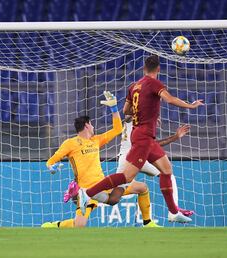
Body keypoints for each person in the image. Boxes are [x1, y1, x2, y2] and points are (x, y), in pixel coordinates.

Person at [79, 55, 204, 223]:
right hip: (143, 135)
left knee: (167, 170)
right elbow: (170, 99)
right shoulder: (154, 84)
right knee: (127, 177)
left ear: (144, 69)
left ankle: (174, 212)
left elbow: (125, 111)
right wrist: (191, 105)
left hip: (142, 134)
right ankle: (86, 193)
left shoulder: (134, 86)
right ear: (158, 69)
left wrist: (145, 113)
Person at [42, 91, 160, 228]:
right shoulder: (70, 143)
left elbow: (117, 129)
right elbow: (51, 160)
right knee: (79, 225)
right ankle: (53, 225)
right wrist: (51, 167)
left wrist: (114, 109)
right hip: (86, 189)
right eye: (91, 125)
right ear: (87, 125)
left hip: (103, 186)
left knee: (142, 188)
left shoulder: (95, 140)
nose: (93, 127)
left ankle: (148, 223)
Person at [117, 115, 194, 218]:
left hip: (140, 157)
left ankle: (173, 211)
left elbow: (153, 144)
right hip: (127, 158)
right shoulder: (135, 118)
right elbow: (127, 117)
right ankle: (92, 194)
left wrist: (175, 137)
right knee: (114, 195)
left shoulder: (144, 128)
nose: (158, 120)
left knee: (169, 175)